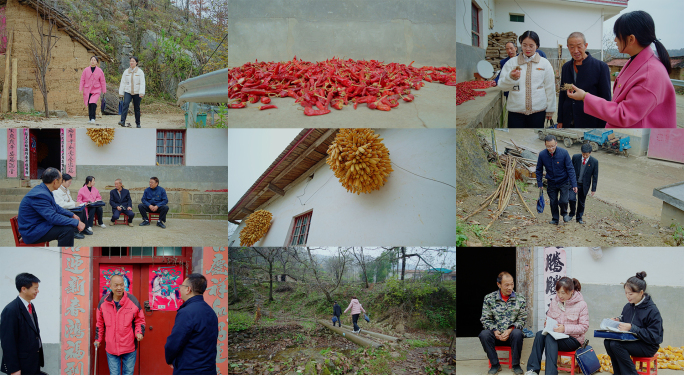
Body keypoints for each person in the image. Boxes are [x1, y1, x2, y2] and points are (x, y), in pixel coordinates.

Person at [567, 11, 676, 127]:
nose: (615, 40)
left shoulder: (651, 74)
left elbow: (624, 114)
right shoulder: (635, 61)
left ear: (631, 39)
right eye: (571, 47)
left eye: (617, 36)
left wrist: (585, 97)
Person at [525, 277, 589, 375]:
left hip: (573, 339)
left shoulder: (581, 304)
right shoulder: (555, 301)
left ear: (571, 291)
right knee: (539, 335)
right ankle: (533, 370)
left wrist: (564, 328)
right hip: (556, 336)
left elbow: (584, 327)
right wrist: (548, 323)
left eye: (563, 293)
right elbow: (549, 316)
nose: (560, 295)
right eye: (558, 292)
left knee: (550, 338)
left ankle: (551, 374)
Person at [604, 271, 663, 375]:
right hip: (632, 340)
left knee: (616, 345)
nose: (628, 296)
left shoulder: (652, 310)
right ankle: (618, 374)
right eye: (626, 293)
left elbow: (655, 337)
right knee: (608, 342)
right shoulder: (628, 306)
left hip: (647, 345)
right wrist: (618, 321)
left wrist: (632, 327)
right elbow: (625, 321)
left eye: (630, 294)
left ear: (641, 293)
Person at [498, 30, 556, 128]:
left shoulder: (544, 64)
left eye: (531, 45)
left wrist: (550, 109)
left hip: (538, 112)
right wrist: (510, 77)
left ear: (537, 46)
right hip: (515, 112)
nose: (527, 48)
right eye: (524, 45)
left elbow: (550, 88)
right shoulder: (511, 63)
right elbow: (502, 86)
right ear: (520, 45)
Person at [165, 274, 219, 375]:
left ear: (188, 289)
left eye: (182, 286)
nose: (180, 288)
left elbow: (175, 341)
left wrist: (170, 358)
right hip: (208, 368)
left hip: (189, 369)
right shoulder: (210, 311)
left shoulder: (187, 312)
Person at [17, 167, 86, 246]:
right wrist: (76, 222)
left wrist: (72, 215)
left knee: (68, 225)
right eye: (61, 180)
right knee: (67, 230)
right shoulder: (40, 195)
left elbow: (55, 207)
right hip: (32, 232)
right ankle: (64, 255)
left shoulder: (44, 190)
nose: (61, 183)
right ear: (55, 181)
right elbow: (53, 217)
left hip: (39, 224)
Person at [557, 32, 611, 128]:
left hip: (590, 120)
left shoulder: (601, 67)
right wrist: (560, 120)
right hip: (568, 120)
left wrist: (603, 124)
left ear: (586, 46)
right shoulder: (566, 67)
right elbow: (562, 95)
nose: (575, 51)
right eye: (572, 47)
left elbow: (606, 99)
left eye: (579, 46)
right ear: (568, 47)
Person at [94, 274, 145, 375]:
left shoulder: (132, 301)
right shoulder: (103, 303)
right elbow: (99, 323)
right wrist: (98, 339)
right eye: (116, 285)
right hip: (111, 347)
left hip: (129, 347)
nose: (119, 288)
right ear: (110, 286)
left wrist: (139, 332)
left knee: (128, 375)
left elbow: (140, 320)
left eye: (121, 285)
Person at [479, 271, 527, 375]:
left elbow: (522, 319)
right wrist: (495, 331)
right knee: (484, 334)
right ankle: (495, 365)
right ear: (499, 285)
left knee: (518, 333)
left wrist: (510, 330)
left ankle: (516, 365)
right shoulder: (489, 299)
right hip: (495, 335)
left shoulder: (520, 299)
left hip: (512, 337)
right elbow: (485, 319)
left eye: (512, 284)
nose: (510, 287)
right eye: (507, 285)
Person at [0, 273, 46, 375]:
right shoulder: (10, 310)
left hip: (33, 362)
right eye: (35, 288)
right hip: (21, 366)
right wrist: (14, 369)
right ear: (24, 289)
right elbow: (8, 343)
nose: (37, 291)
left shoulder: (30, 306)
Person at [536, 135, 577, 225]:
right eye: (548, 146)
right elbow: (539, 169)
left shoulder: (564, 153)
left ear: (556, 143)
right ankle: (555, 219)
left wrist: (574, 184)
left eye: (553, 146)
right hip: (551, 182)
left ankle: (564, 213)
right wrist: (540, 183)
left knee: (563, 201)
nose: (551, 148)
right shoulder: (542, 155)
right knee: (553, 201)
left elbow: (570, 169)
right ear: (545, 144)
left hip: (564, 182)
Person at [52, 173, 91, 237]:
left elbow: (70, 200)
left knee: (82, 210)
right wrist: (74, 204)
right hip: (62, 210)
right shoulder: (57, 190)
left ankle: (84, 228)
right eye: (69, 182)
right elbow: (60, 205)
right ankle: (74, 232)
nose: (70, 184)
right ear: (63, 181)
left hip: (69, 207)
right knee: (78, 213)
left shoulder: (66, 189)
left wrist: (78, 204)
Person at [568, 144, 599, 224]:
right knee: (571, 198)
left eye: (586, 155)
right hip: (574, 183)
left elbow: (595, 176)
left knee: (581, 202)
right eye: (583, 154)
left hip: (584, 185)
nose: (584, 156)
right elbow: (570, 170)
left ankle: (579, 218)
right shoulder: (575, 157)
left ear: (590, 153)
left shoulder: (594, 162)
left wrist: (593, 189)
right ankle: (571, 214)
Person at [118, 56, 146, 128]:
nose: (131, 62)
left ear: (136, 63)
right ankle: (122, 121)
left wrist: (141, 92)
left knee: (136, 107)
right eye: (130, 61)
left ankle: (138, 123)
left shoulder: (140, 72)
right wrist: (121, 93)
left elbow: (142, 83)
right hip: (128, 91)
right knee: (125, 104)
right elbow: (123, 82)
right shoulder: (126, 72)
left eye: (133, 61)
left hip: (137, 92)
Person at [79, 55, 107, 124]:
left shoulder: (99, 71)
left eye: (94, 60)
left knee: (93, 103)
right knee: (89, 104)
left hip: (96, 89)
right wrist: (80, 88)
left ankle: (93, 118)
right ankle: (90, 118)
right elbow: (82, 79)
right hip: (87, 90)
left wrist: (104, 90)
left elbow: (102, 81)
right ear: (90, 61)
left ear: (97, 62)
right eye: (92, 60)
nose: (93, 61)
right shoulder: (86, 70)